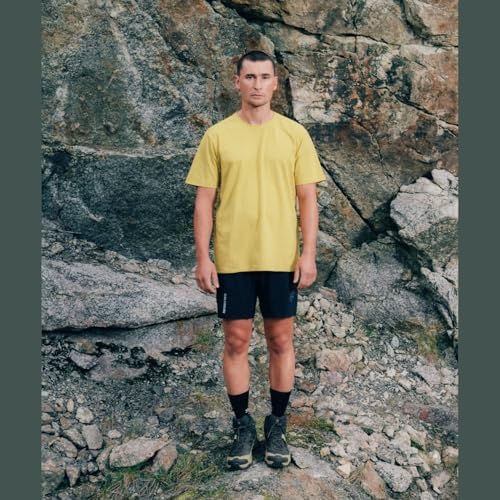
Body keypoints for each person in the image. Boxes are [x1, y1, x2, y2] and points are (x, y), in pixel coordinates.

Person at [184, 50, 326, 470]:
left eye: (265, 77)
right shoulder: (217, 136)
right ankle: (242, 425)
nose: (258, 84)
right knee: (236, 341)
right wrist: (203, 258)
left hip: (281, 258)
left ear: (275, 83)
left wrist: (308, 254)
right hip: (233, 260)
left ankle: (277, 425)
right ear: (237, 82)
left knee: (281, 340)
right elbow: (204, 203)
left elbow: (308, 199)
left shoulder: (294, 135)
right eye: (250, 77)